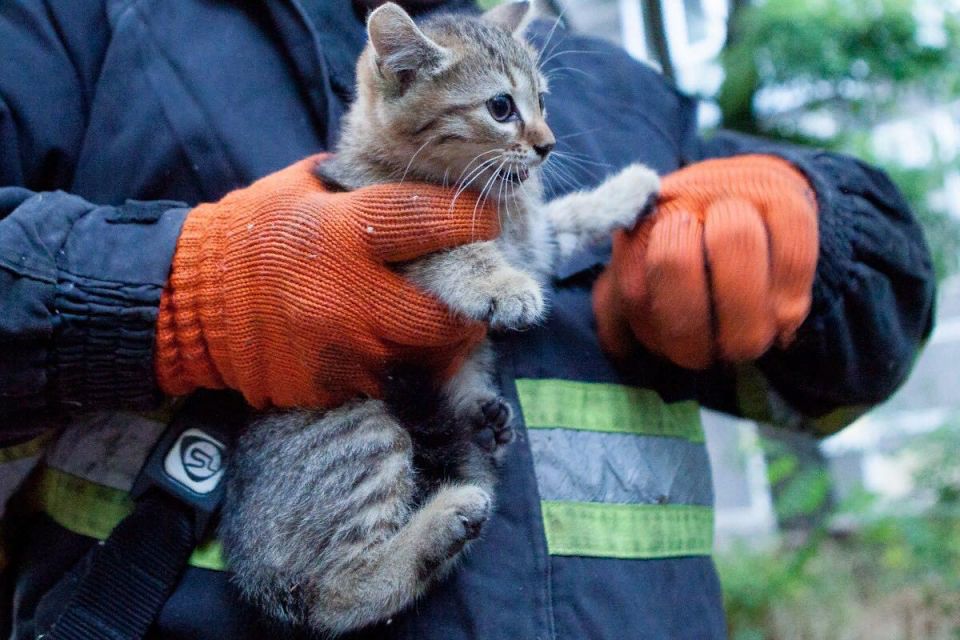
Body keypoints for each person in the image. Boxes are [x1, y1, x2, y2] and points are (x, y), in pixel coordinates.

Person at [0, 0, 936, 638]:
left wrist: (826, 230)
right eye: (513, 115)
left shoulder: (615, 87)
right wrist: (171, 295)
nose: (543, 138)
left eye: (541, 111)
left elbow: (884, 315)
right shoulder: (83, 28)